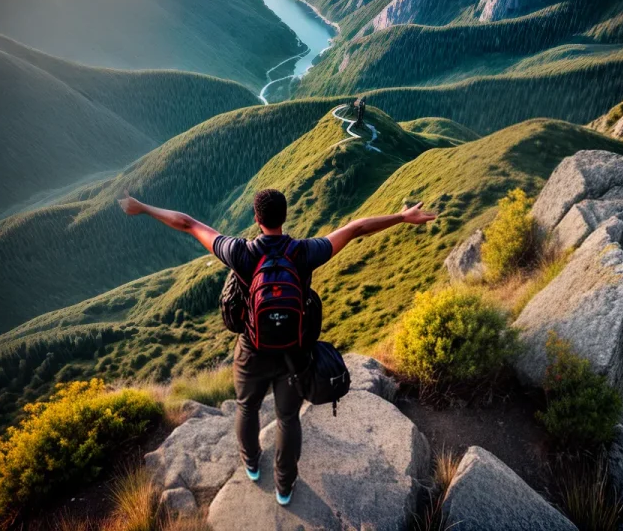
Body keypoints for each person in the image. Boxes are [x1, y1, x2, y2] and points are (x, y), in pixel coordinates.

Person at [118, 188, 435, 506]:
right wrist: (402, 217)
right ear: (285, 217)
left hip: (251, 351)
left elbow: (187, 224)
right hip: (295, 353)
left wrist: (143, 207)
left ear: (257, 219)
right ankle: (284, 486)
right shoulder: (305, 252)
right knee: (287, 418)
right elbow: (356, 228)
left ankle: (252, 464)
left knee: (246, 408)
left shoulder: (239, 252)